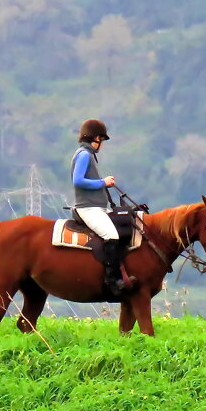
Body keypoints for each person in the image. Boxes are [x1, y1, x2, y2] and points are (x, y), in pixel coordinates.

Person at [72, 118, 137, 298]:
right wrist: (103, 182)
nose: (102, 144)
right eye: (102, 139)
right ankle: (113, 281)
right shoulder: (84, 154)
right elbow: (77, 180)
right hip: (88, 208)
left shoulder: (88, 154)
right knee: (111, 235)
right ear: (96, 138)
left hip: (96, 207)